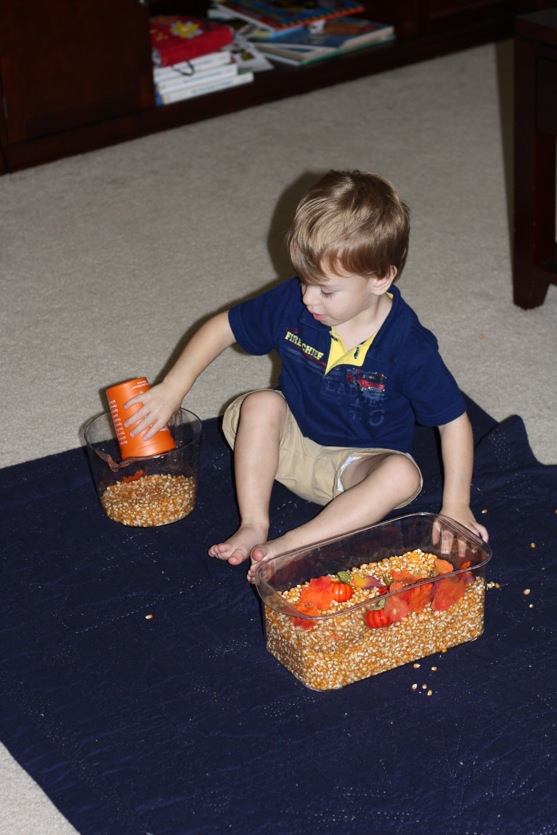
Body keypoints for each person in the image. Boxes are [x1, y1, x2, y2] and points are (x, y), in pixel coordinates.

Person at [126, 170, 488, 582]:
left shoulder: (409, 346)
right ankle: (254, 524)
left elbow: (452, 420)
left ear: (380, 278)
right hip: (287, 447)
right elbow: (223, 326)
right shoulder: (297, 302)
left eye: (326, 290)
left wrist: (456, 503)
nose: (307, 298)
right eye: (304, 281)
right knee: (258, 404)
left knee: (402, 476)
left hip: (356, 470)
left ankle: (296, 542)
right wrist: (174, 386)